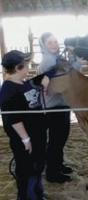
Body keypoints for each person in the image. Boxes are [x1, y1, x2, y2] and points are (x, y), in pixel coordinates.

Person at [0, 50, 49, 200]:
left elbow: (35, 81)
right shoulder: (8, 90)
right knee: (27, 169)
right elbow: (13, 119)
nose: (29, 68)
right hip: (25, 139)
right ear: (17, 68)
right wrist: (25, 139)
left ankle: (38, 193)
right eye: (26, 65)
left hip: (37, 135)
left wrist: (44, 78)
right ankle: (27, 197)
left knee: (38, 165)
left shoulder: (22, 83)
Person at [38, 32, 73, 183]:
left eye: (55, 42)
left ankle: (57, 165)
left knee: (59, 139)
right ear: (43, 45)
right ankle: (52, 173)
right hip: (53, 106)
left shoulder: (56, 59)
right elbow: (65, 78)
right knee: (56, 140)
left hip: (61, 104)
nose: (54, 45)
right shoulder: (48, 61)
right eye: (50, 43)